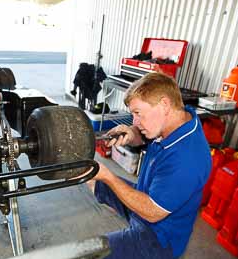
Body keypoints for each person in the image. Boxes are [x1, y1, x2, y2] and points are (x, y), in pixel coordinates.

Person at [91, 72, 212, 259]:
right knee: (92, 178)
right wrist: (132, 134)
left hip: (157, 239)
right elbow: (148, 136)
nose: (135, 122)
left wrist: (108, 176)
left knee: (92, 253)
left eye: (138, 113)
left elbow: (152, 212)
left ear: (164, 104)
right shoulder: (176, 117)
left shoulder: (187, 159)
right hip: (147, 194)